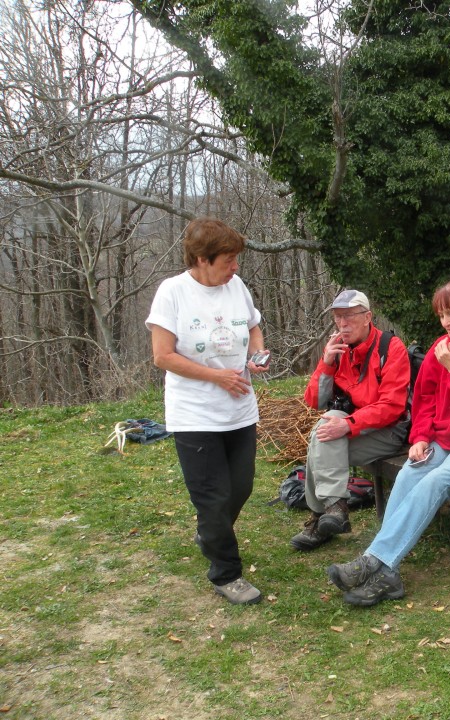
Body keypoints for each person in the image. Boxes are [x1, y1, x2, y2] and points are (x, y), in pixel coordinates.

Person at [326, 280, 450, 607]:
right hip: (441, 439)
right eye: (441, 315)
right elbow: (424, 399)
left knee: (437, 481)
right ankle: (386, 572)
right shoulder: (440, 348)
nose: (446, 322)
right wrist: (421, 437)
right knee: (410, 473)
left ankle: (375, 562)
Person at [146, 218, 270, 605]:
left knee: (242, 486)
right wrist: (216, 376)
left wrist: (256, 355)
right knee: (212, 498)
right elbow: (162, 356)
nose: (235, 267)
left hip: (239, 410)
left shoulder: (236, 286)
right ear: (202, 259)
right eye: (228, 260)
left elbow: (253, 327)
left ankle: (210, 533)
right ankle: (226, 573)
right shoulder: (173, 293)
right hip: (195, 414)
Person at [291, 289, 411, 551]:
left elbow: (392, 407)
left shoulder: (391, 348)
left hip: (387, 431)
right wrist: (327, 363)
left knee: (321, 442)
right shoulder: (338, 349)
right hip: (353, 426)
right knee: (323, 432)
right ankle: (334, 509)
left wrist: (348, 425)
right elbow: (314, 401)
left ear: (368, 317)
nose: (343, 324)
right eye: (338, 318)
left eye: (349, 317)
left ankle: (322, 516)